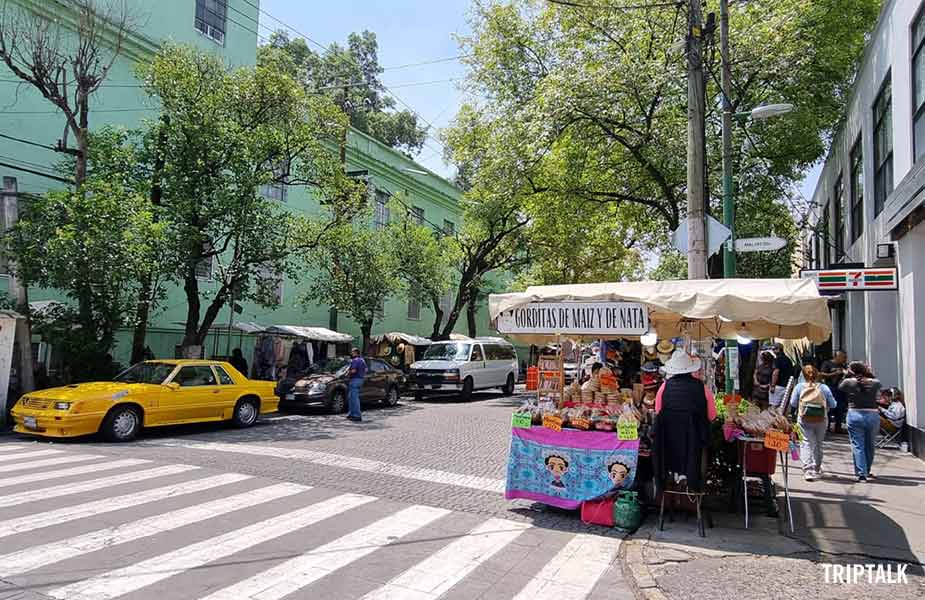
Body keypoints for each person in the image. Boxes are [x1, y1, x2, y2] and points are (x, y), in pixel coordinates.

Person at [652, 350, 714, 494]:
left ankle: (670, 484)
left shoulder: (664, 387)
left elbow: (658, 412)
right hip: (693, 444)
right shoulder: (701, 387)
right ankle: (694, 488)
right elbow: (711, 415)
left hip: (668, 446)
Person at [789, 365, 836, 481]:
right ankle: (817, 468)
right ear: (817, 374)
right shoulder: (824, 388)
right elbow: (834, 404)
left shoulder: (799, 387)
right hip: (821, 419)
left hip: (804, 418)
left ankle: (808, 470)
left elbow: (793, 403)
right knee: (819, 444)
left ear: (803, 375)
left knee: (805, 443)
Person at [840, 362, 882, 482]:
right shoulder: (875, 383)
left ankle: (861, 473)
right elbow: (877, 382)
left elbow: (840, 387)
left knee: (858, 445)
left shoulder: (849, 382)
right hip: (872, 415)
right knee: (870, 445)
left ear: (852, 371)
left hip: (855, 414)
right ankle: (867, 470)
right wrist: (868, 372)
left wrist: (846, 375)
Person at [821, 350, 848, 433]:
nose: (845, 359)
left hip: (841, 390)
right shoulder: (827, 364)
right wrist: (834, 374)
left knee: (840, 408)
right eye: (843, 357)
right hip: (830, 389)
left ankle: (838, 427)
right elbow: (822, 374)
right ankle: (827, 426)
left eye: (845, 357)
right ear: (837, 357)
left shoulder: (844, 365)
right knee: (829, 408)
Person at [770, 343, 794, 408]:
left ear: (778, 349)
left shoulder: (777, 359)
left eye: (774, 349)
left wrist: (773, 385)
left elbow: (776, 372)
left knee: (773, 407)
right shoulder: (788, 359)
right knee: (781, 407)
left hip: (778, 386)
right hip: (786, 386)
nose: (773, 351)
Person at [347, 347, 367, 422]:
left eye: (352, 352)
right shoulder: (362, 360)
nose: (351, 353)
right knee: (351, 397)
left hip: (355, 379)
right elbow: (366, 370)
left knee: (354, 398)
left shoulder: (355, 360)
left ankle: (357, 415)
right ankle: (351, 414)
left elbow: (353, 370)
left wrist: (347, 373)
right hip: (360, 379)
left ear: (355, 353)